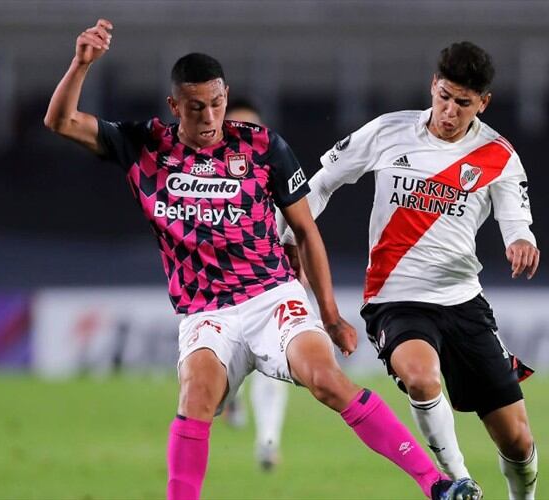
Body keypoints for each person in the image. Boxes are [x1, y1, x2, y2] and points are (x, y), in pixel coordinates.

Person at [44, 19, 479, 500]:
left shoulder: (260, 146)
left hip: (272, 297)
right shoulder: (145, 145)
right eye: (195, 108)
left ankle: (436, 484)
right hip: (205, 312)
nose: (208, 117)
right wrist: (81, 64)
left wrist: (331, 316)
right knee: (196, 399)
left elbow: (306, 230)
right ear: (174, 106)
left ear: (225, 96)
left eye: (216, 103)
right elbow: (60, 121)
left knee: (328, 380)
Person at [279, 41, 540, 500]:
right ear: (432, 87)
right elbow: (321, 182)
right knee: (420, 377)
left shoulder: (498, 154)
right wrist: (286, 237)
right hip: (394, 298)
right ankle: (459, 482)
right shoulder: (388, 131)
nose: (449, 111)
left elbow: (516, 219)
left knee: (517, 440)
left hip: (462, 301)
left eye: (463, 103)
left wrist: (522, 240)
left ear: (483, 103)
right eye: (443, 96)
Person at [220, 97, 291, 472]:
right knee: (222, 369)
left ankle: (268, 442)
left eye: (254, 129)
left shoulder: (275, 171)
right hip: (215, 295)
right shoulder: (198, 181)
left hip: (268, 288)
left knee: (274, 362)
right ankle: (231, 396)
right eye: (237, 129)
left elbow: (298, 228)